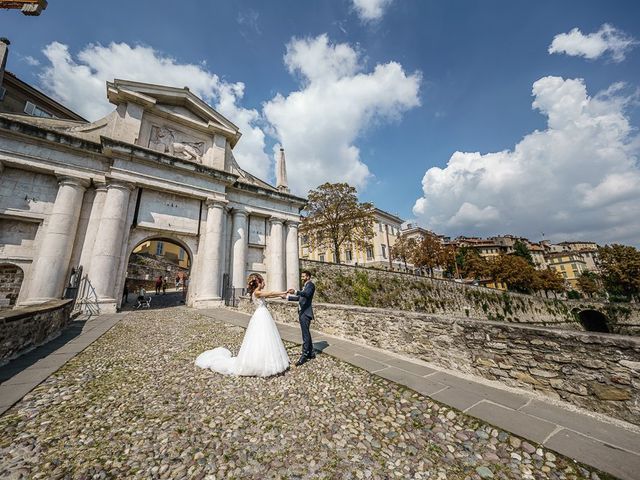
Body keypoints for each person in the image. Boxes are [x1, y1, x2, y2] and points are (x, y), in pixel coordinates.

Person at [195, 273, 290, 377]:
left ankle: (263, 358)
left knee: (262, 338)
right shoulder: (257, 292)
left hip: (262, 315)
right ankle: (261, 361)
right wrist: (284, 292)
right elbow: (270, 293)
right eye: (263, 281)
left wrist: (281, 295)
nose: (265, 283)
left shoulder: (257, 292)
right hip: (261, 316)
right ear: (259, 283)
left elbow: (270, 294)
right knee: (262, 337)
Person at [286, 270, 316, 366]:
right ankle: (311, 353)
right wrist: (287, 297)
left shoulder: (310, 285)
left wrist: (295, 291)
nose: (302, 278)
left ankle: (304, 355)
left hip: (306, 313)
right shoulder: (306, 286)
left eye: (303, 276)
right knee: (306, 333)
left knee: (305, 335)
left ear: (308, 277)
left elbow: (306, 295)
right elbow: (300, 298)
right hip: (302, 312)